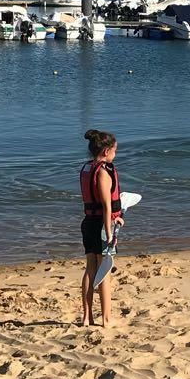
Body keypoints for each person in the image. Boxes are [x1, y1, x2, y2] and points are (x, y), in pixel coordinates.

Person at [79, 128, 124, 327]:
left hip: (88, 223)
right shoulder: (104, 174)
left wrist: (116, 218)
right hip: (101, 226)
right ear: (106, 151)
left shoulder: (87, 169)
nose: (115, 155)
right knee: (104, 271)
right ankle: (106, 319)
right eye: (114, 151)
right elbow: (106, 207)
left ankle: (87, 317)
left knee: (90, 268)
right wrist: (109, 232)